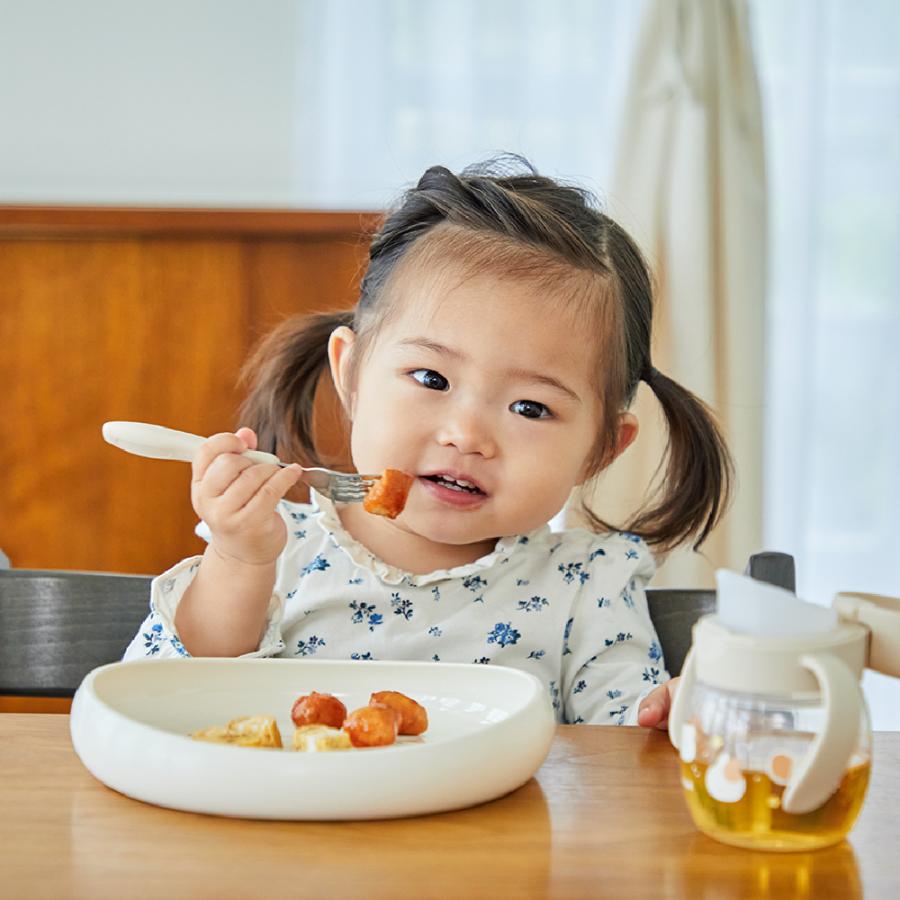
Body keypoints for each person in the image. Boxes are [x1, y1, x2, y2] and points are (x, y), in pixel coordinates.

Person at [123, 157, 732, 728]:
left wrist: (671, 718)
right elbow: (168, 701)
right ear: (351, 375)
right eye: (432, 379)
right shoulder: (275, 548)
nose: (466, 436)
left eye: (530, 408)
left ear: (600, 450)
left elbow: (623, 749)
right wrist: (239, 562)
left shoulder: (586, 584)